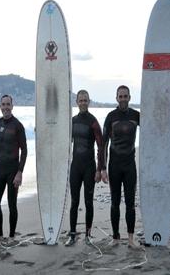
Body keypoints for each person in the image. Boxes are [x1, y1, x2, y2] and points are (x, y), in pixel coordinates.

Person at [65, 90, 105, 246]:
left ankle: (88, 235)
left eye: (85, 100)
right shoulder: (72, 121)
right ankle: (73, 234)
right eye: (80, 100)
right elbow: (62, 139)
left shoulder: (93, 121)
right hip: (75, 167)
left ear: (89, 101)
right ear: (77, 102)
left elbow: (101, 146)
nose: (83, 103)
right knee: (74, 202)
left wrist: (99, 169)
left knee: (89, 202)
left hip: (89, 167)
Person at [101, 85, 139, 247]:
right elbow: (103, 144)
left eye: (125, 96)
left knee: (130, 203)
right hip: (114, 166)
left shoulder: (136, 116)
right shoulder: (111, 116)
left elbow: (154, 129)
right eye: (120, 96)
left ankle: (131, 239)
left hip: (130, 165)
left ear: (129, 98)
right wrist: (102, 168)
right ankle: (116, 237)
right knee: (114, 202)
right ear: (116, 98)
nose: (123, 99)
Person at [0, 95, 27, 242]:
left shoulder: (17, 125)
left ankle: (12, 236)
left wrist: (20, 172)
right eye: (3, 104)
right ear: (0, 106)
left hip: (13, 169)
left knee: (12, 204)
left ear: (12, 106)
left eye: (8, 104)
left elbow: (24, 150)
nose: (5, 107)